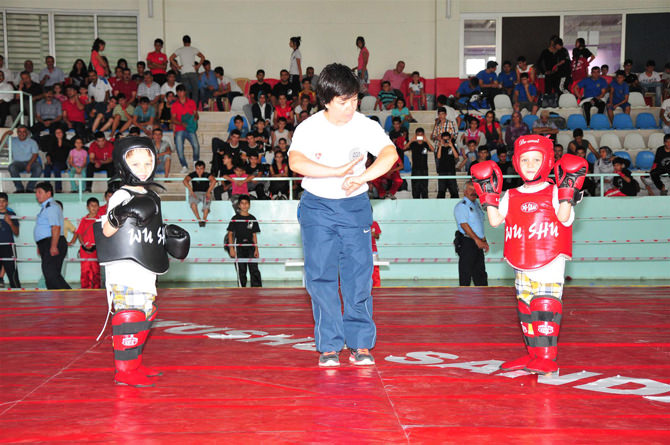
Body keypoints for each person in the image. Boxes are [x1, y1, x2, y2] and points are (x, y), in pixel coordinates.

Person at [288, 62, 397, 367]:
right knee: (320, 276)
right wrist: (334, 172)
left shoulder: (365, 125)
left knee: (358, 275)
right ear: (325, 100)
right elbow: (296, 161)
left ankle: (360, 343)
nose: (351, 107)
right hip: (317, 208)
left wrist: (363, 177)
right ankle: (329, 345)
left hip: (354, 207)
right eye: (343, 102)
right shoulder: (308, 127)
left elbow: (390, 154)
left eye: (354, 100)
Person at [471, 134, 588, 375]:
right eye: (525, 160)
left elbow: (564, 218)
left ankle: (547, 357)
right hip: (520, 261)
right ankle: (533, 354)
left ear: (547, 162)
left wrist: (568, 190)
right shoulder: (511, 194)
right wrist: (488, 195)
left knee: (543, 306)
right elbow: (494, 222)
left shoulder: (554, 191)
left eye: (536, 159)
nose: (531, 165)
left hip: (549, 260)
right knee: (525, 307)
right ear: (516, 162)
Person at [94, 136, 189, 387]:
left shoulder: (151, 196)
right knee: (130, 316)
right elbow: (106, 230)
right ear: (123, 166)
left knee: (146, 314)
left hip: (146, 269)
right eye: (136, 164)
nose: (143, 169)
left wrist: (168, 238)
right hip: (125, 270)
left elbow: (146, 231)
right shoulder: (120, 195)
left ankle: (134, 365)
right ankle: (123, 371)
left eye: (148, 163)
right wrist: (123, 211)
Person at [33, 182, 71, 289]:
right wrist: (40, 245)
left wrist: (53, 246)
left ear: (48, 193)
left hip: (53, 242)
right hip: (47, 243)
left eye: (40, 192)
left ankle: (70, 294)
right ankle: (57, 299)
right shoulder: (46, 207)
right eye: (36, 192)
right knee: (51, 275)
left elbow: (56, 227)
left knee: (51, 275)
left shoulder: (51, 207)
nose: (37, 195)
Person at [453, 181, 488, 286]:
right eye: (470, 189)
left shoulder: (477, 205)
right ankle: (464, 300)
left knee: (480, 274)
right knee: (466, 274)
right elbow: (464, 225)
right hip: (467, 242)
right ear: (464, 192)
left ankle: (483, 299)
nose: (473, 192)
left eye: (475, 190)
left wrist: (483, 240)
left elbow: (478, 225)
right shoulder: (461, 206)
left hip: (478, 243)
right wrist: (477, 240)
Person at [226, 195, 262, 287]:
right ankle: (242, 289)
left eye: (246, 203)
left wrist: (256, 249)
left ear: (249, 205)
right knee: (241, 270)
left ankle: (257, 289)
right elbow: (230, 234)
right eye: (242, 203)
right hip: (239, 248)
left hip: (251, 247)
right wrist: (231, 249)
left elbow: (254, 235)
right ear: (239, 205)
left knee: (254, 269)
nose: (244, 205)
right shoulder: (235, 218)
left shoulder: (252, 219)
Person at [169, 35, 205, 105]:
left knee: (186, 92)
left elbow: (171, 58)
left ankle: (187, 107)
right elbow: (203, 57)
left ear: (183, 42)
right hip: (192, 72)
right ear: (190, 41)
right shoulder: (193, 49)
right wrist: (198, 66)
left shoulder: (180, 49)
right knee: (195, 91)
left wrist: (177, 66)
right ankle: (193, 107)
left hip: (184, 73)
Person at [171, 84, 200, 172]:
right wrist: (181, 123)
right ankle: (184, 166)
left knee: (196, 145)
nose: (180, 93)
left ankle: (196, 162)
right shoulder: (174, 105)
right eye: (179, 91)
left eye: (182, 91)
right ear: (177, 92)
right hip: (180, 129)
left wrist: (195, 116)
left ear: (185, 92)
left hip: (190, 128)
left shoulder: (191, 102)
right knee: (179, 148)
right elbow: (173, 119)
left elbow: (196, 114)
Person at [4, 126, 41, 193]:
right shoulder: (12, 140)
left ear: (27, 133)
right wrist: (6, 134)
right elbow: (2, 143)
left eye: (24, 132)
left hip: (30, 162)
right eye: (20, 132)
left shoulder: (32, 142)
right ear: (17, 133)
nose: (22, 133)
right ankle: (20, 189)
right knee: (11, 167)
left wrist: (29, 165)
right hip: (18, 163)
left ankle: (30, 188)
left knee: (38, 168)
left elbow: (35, 155)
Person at [74, 197, 101, 289]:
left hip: (96, 250)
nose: (93, 208)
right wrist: (84, 245)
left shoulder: (100, 220)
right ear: (87, 207)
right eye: (91, 205)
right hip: (84, 250)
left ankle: (97, 289)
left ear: (99, 207)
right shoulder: (84, 220)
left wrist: (95, 246)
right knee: (85, 271)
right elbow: (79, 234)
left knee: (96, 271)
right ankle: (85, 289)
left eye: (96, 205)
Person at [404, 127, 433, 199]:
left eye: (421, 135)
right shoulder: (413, 144)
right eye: (418, 135)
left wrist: (427, 141)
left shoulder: (426, 144)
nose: (420, 136)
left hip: (424, 170)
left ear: (424, 135)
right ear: (415, 135)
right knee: (415, 190)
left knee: (424, 190)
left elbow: (433, 149)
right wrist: (411, 140)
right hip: (415, 169)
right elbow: (403, 148)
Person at [184, 160, 215, 226]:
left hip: (205, 193)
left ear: (204, 169)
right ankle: (199, 219)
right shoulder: (193, 174)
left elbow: (214, 181)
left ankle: (204, 220)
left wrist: (208, 192)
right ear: (195, 169)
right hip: (195, 193)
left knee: (206, 205)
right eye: (198, 169)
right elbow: (185, 181)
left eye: (201, 169)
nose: (199, 170)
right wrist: (191, 191)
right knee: (192, 204)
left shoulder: (206, 174)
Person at [41, 127, 71, 193]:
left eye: (60, 132)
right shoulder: (52, 142)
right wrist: (48, 160)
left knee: (56, 167)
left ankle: (58, 189)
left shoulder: (67, 142)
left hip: (62, 163)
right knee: (47, 167)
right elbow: (48, 153)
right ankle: (46, 188)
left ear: (63, 133)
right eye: (57, 133)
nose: (58, 134)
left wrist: (60, 141)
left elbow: (67, 151)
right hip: (52, 162)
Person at [0, 192, 20, 288]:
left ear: (7, 203)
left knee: (12, 273)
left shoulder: (12, 214)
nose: (1, 204)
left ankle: (18, 295)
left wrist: (10, 223)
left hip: (8, 246)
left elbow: (16, 232)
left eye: (3, 201)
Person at [436, 132, 459, 199]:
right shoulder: (440, 147)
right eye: (444, 139)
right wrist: (440, 145)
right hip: (442, 172)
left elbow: (456, 157)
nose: (446, 141)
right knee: (441, 192)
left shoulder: (452, 147)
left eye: (447, 139)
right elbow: (438, 157)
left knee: (454, 191)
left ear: (450, 139)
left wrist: (451, 146)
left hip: (451, 172)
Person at [371, 219, 381, 288]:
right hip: (362, 250)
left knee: (375, 269)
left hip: (373, 250)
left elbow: (377, 237)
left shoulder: (374, 223)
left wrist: (374, 234)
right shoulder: (360, 223)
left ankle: (377, 286)